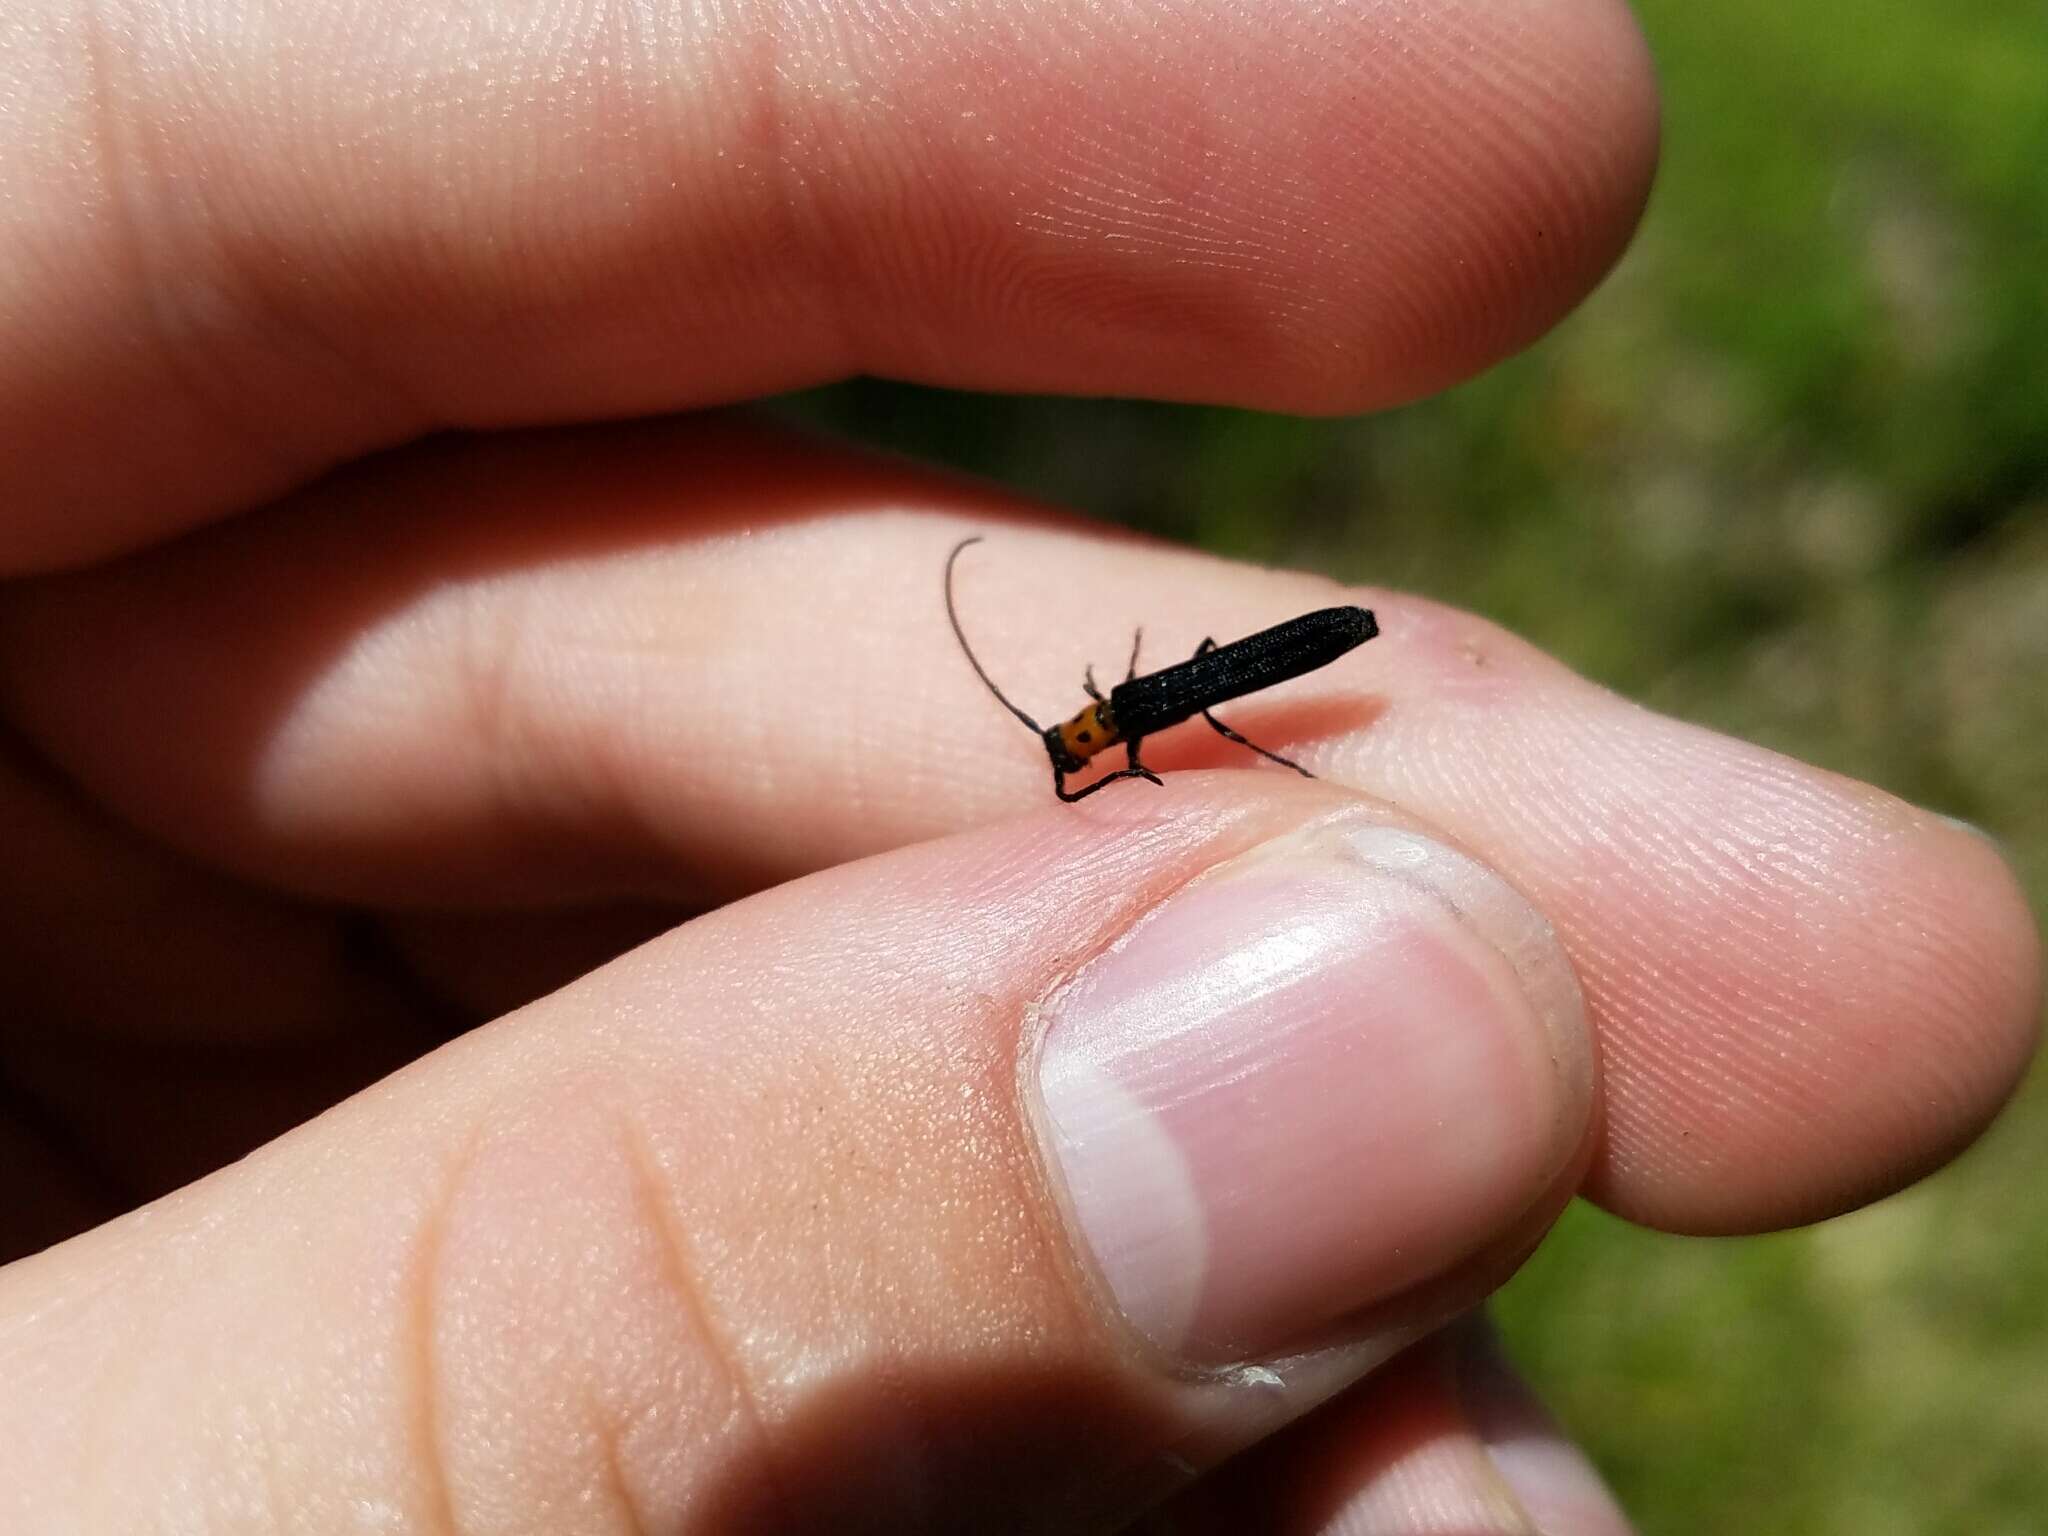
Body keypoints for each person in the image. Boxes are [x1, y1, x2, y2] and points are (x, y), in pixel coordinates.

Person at [0, 0, 2037, 1529]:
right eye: (1085, 745)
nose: (1083, 753)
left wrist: (1157, 755)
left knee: (1220, 702)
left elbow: (1168, 725)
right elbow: (1128, 750)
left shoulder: (1140, 718)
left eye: (1082, 744)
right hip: (1260, 680)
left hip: (1271, 675)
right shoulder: (1116, 731)